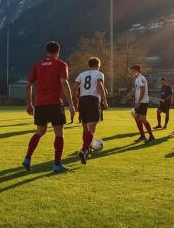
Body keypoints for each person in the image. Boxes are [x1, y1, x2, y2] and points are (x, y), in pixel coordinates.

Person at [22, 41, 76, 173]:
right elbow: (64, 82)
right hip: (54, 103)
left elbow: (28, 85)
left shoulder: (38, 65)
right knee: (59, 133)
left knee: (40, 131)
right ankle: (57, 165)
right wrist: (71, 104)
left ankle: (27, 158)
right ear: (58, 52)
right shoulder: (61, 64)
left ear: (46, 51)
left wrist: (29, 104)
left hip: (40, 104)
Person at [73, 57, 109, 165]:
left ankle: (87, 148)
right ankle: (83, 150)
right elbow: (100, 85)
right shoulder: (99, 74)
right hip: (93, 100)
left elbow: (74, 87)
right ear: (98, 65)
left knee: (85, 128)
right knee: (92, 128)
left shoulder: (81, 74)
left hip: (83, 100)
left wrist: (76, 99)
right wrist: (104, 101)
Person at [130, 65, 155, 143]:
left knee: (143, 119)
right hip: (139, 102)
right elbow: (137, 88)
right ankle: (142, 136)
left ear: (137, 70)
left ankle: (151, 137)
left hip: (142, 102)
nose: (131, 72)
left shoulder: (141, 78)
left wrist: (139, 102)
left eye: (132, 70)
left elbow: (143, 89)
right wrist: (130, 93)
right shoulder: (137, 79)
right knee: (136, 117)